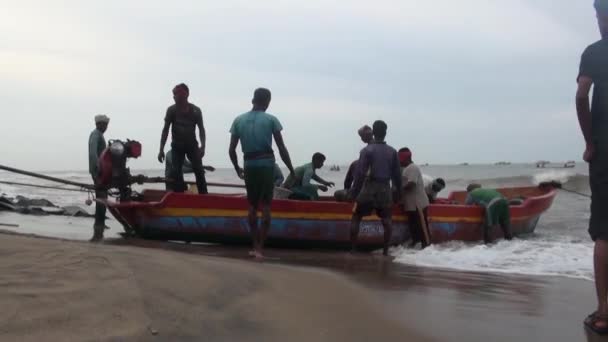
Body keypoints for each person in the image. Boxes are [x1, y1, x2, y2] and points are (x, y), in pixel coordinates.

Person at [229, 88, 295, 259]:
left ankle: (254, 245)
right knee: (266, 206)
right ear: (267, 101)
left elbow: (231, 150)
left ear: (253, 100)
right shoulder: (271, 119)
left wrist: (237, 168)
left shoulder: (238, 120)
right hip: (266, 164)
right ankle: (260, 249)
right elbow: (281, 148)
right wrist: (291, 169)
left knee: (251, 206)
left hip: (249, 164)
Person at [578, 0, 608, 333]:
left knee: (604, 232)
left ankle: (604, 312)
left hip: (606, 152)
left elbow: (580, 95)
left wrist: (589, 141)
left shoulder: (595, 52)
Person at [350, 120, 401, 256]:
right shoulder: (392, 152)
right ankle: (385, 251)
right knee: (387, 220)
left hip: (369, 187)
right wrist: (398, 194)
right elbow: (397, 176)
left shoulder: (367, 150)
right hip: (385, 188)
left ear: (373, 131)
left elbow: (360, 174)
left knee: (356, 216)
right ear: (385, 133)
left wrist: (354, 193)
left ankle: (353, 249)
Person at [158, 83, 208, 194]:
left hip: (192, 146)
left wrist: (203, 146)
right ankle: (180, 195)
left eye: (176, 94)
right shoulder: (171, 110)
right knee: (176, 172)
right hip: (177, 146)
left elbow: (201, 130)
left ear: (185, 94)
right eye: (173, 94)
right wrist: (161, 149)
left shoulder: (196, 110)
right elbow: (165, 130)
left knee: (199, 170)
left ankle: (204, 196)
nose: (174, 97)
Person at [399, 148, 431, 248]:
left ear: (406, 158)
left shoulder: (413, 167)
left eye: (400, 159)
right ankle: (415, 244)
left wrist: (399, 190)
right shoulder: (406, 169)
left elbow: (411, 183)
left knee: (422, 227)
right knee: (413, 226)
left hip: (418, 203)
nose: (399, 161)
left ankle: (427, 246)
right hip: (410, 204)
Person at [334, 125, 374, 201]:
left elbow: (356, 179)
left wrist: (352, 192)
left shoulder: (363, 154)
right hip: (379, 191)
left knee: (337, 193)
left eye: (361, 136)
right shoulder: (386, 152)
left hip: (362, 192)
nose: (361, 139)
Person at [88, 114, 109, 242]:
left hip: (101, 171)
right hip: (98, 172)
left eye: (107, 125)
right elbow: (92, 152)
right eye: (105, 125)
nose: (106, 127)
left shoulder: (99, 135)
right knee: (102, 198)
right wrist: (98, 167)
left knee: (102, 197)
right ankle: (99, 225)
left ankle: (100, 224)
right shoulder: (96, 134)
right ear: (99, 124)